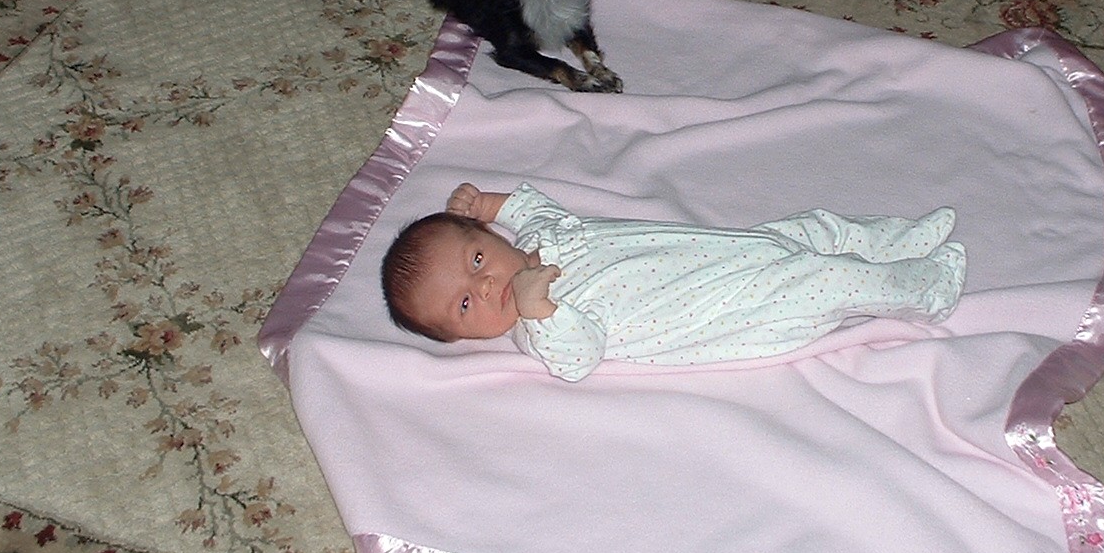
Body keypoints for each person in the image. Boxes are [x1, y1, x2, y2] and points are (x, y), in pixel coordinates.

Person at [382, 182, 967, 382]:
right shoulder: (539, 329)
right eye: (465, 304)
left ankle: (897, 241)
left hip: (739, 250)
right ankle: (923, 290)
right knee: (830, 279)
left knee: (815, 229)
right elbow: (579, 358)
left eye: (477, 260)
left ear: (490, 237)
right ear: (461, 338)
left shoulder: (541, 235)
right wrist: (540, 310)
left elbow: (531, 206)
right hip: (741, 309)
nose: (486, 287)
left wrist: (485, 202)